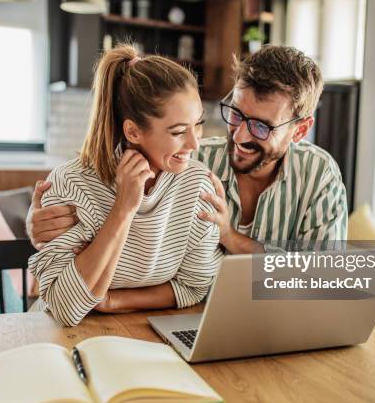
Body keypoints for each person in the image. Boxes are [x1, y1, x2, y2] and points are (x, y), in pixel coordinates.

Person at [28, 45, 347, 260]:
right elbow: (106, 207)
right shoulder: (191, 160)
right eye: (236, 114)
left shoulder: (320, 176)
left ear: (301, 130)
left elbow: (321, 279)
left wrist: (231, 238)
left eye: (262, 127)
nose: (240, 134)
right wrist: (39, 224)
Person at [28, 45, 222, 327]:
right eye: (179, 131)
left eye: (198, 125)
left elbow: (194, 287)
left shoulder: (197, 185)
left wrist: (110, 301)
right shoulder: (72, 184)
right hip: (59, 338)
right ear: (133, 131)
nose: (194, 143)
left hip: (143, 331)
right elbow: (64, 306)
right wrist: (123, 208)